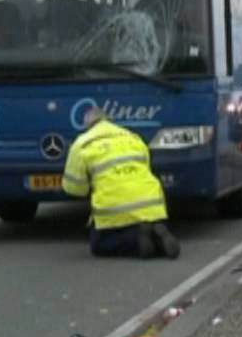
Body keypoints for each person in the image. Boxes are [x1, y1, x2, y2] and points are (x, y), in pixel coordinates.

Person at [62, 105, 181, 259]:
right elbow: (146, 168)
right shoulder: (133, 137)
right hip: (152, 204)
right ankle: (156, 234)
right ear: (107, 120)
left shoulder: (82, 144)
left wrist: (90, 185)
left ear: (87, 125)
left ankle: (136, 238)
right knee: (142, 227)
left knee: (99, 245)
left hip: (115, 208)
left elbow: (74, 188)